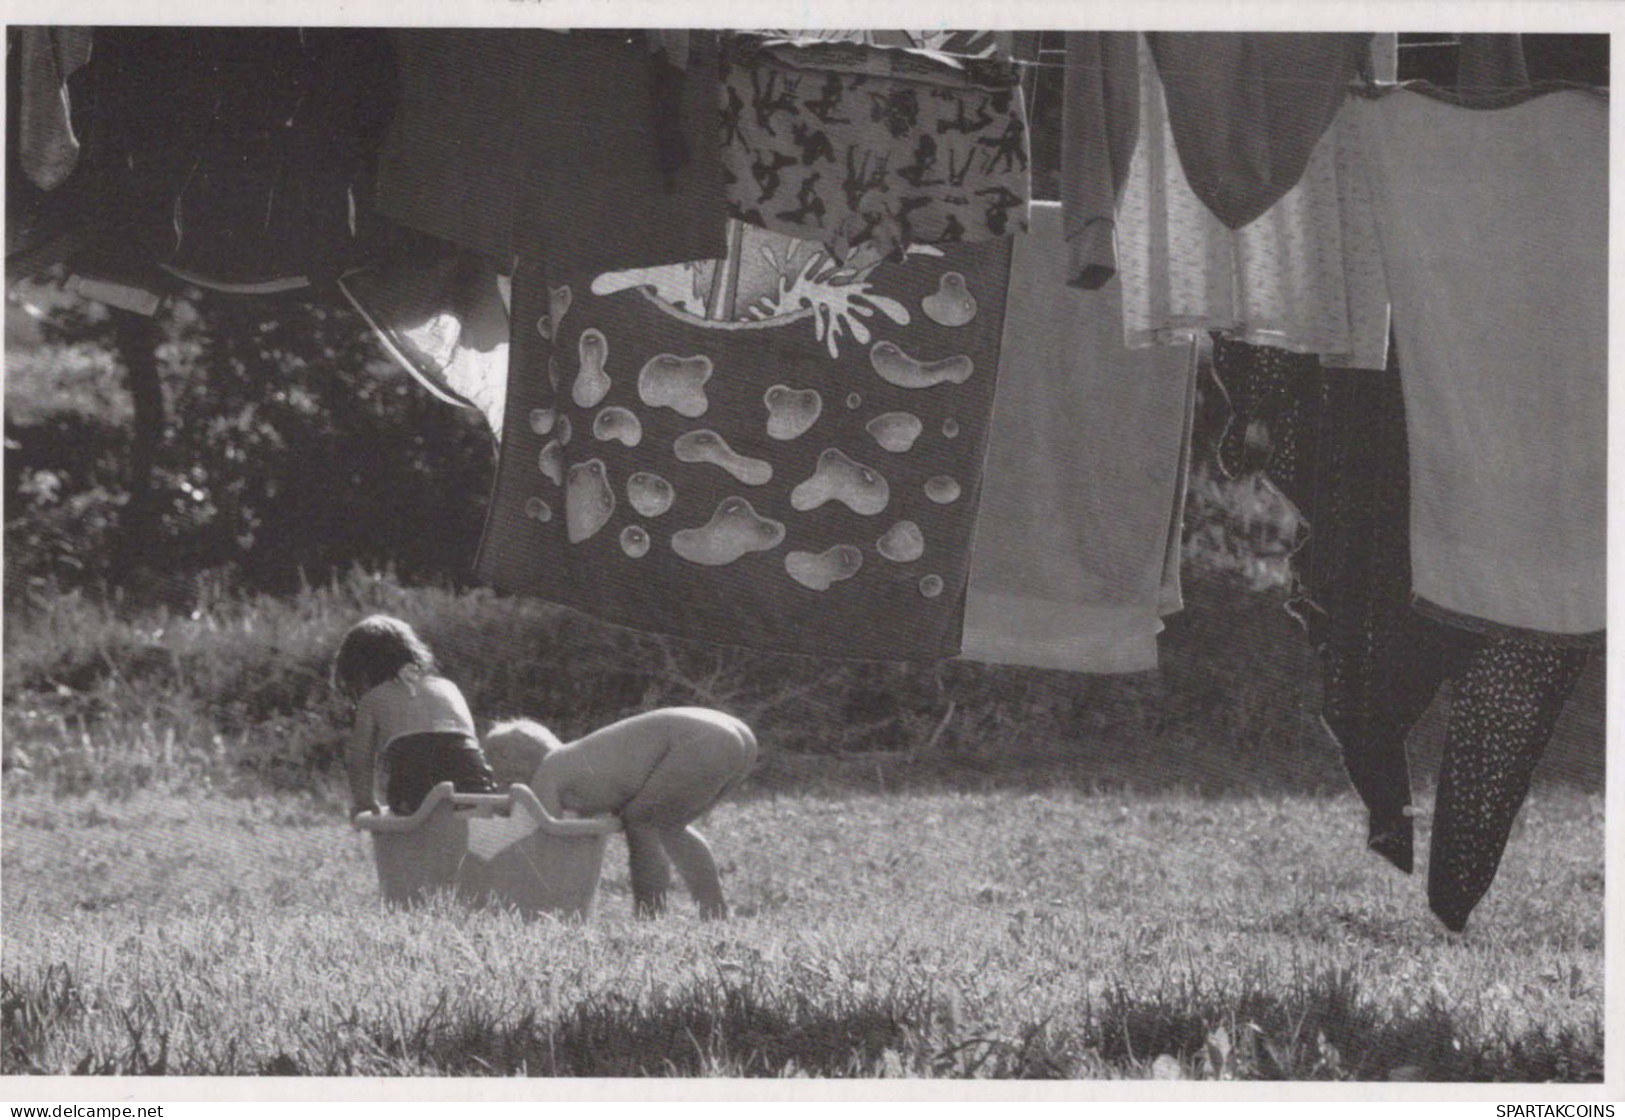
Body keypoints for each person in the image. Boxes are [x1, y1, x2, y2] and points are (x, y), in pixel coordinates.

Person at [482, 708, 758, 919]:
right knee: (671, 828)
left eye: (503, 781)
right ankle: (714, 910)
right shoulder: (579, 760)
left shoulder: (549, 772)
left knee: (642, 823)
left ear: (514, 774)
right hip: (730, 735)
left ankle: (650, 915)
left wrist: (492, 853)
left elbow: (541, 838)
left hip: (699, 738)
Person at [332, 614, 496, 818]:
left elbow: (360, 760)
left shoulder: (373, 699)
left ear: (359, 671)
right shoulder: (447, 687)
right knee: (468, 826)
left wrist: (364, 803)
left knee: (412, 825)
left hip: (414, 787)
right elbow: (469, 743)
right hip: (473, 782)